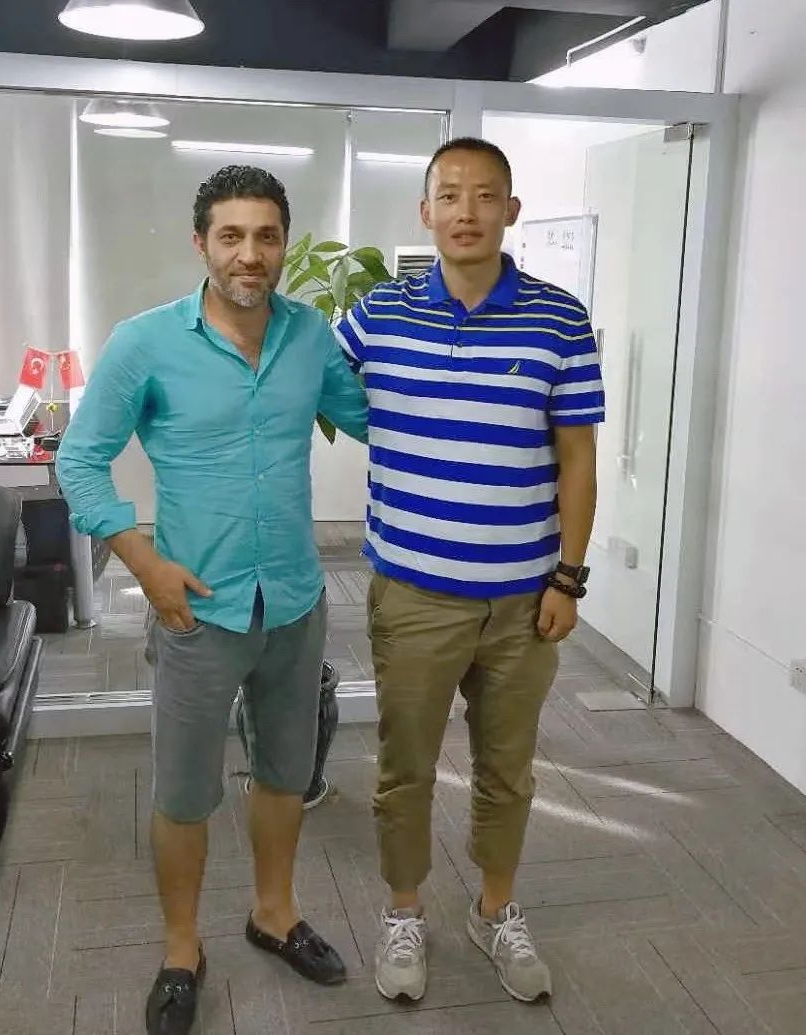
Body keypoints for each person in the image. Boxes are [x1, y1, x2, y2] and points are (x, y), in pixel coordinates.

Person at [57, 165, 368, 1035]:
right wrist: (143, 560)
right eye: (231, 236)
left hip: (295, 599)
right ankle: (181, 947)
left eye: (267, 236)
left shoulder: (310, 337)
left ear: (284, 245)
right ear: (202, 243)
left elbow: (372, 414)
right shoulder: (146, 342)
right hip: (195, 607)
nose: (250, 254)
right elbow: (79, 459)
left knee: (285, 773)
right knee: (186, 791)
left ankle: (274, 912)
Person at [336, 138, 604, 1005]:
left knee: (507, 768)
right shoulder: (378, 314)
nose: (466, 211)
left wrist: (568, 578)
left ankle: (494, 910)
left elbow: (576, 457)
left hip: (525, 601)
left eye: (485, 195)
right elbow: (302, 382)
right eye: (448, 195)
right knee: (405, 766)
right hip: (415, 593)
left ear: (510, 211)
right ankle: (404, 912)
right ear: (425, 212)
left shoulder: (559, 319)